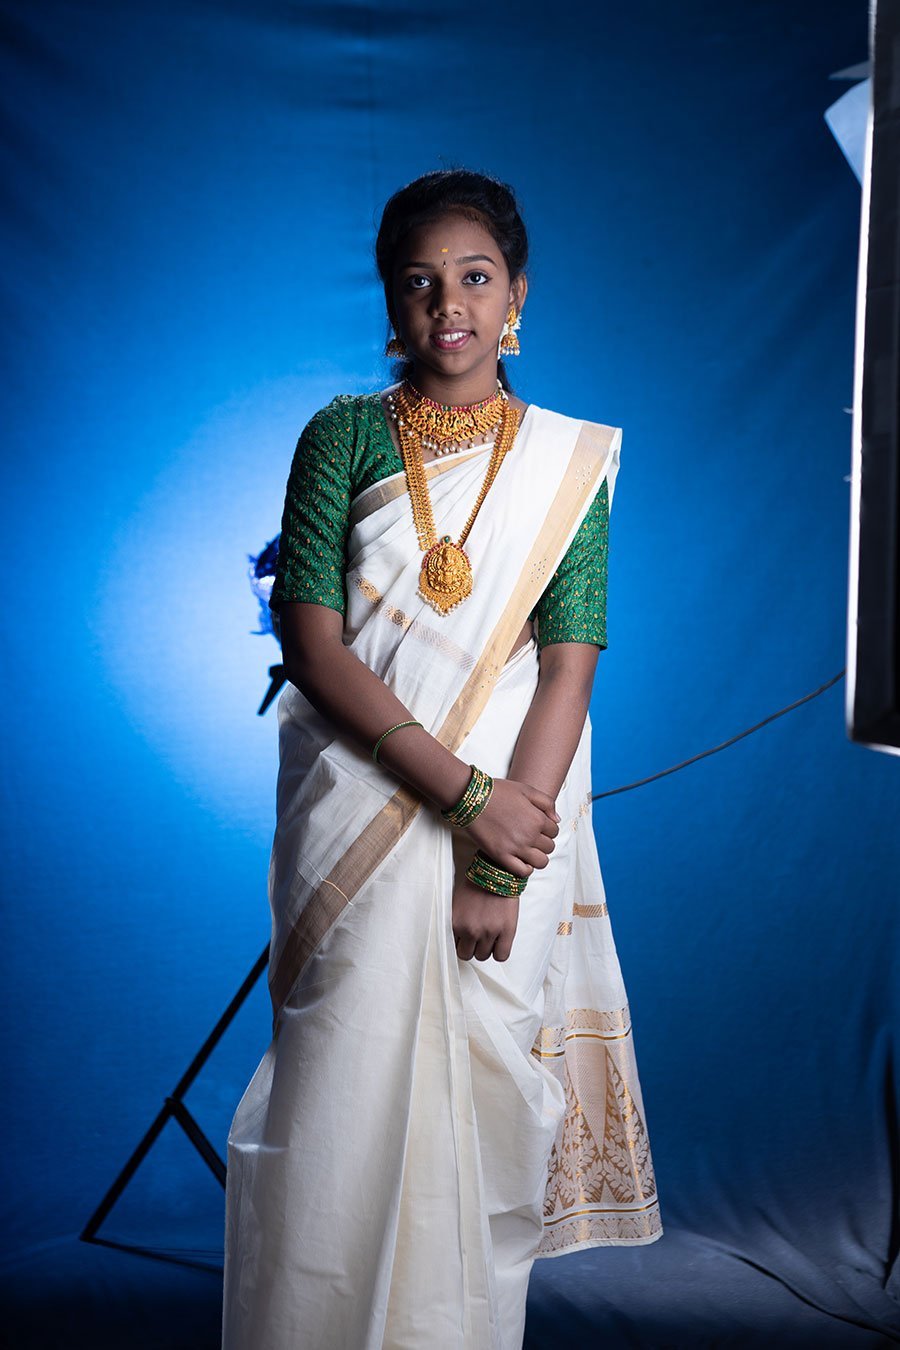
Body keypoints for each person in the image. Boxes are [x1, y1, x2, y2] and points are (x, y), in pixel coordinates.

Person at [222, 168, 662, 1350]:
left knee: (482, 1113)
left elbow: (567, 666)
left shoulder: (566, 465)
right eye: (419, 283)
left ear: (518, 294)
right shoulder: (343, 435)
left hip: (510, 831)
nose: (448, 304)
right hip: (364, 810)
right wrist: (466, 798)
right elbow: (314, 645)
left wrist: (500, 857)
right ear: (390, 301)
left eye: (474, 278)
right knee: (339, 1097)